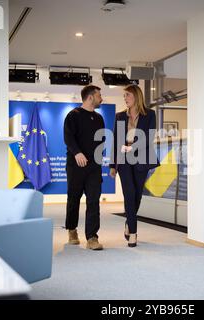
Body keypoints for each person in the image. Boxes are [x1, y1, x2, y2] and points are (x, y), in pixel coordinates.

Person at [109, 85, 160, 247]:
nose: (125, 98)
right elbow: (116, 141)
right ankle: (133, 232)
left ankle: (128, 222)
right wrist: (113, 165)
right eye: (124, 96)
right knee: (129, 193)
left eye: (128, 95)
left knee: (137, 195)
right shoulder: (120, 116)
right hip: (124, 159)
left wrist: (133, 147)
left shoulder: (150, 114)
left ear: (136, 96)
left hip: (142, 158)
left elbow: (149, 137)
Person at [64, 85, 105, 250]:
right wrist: (77, 153)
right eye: (99, 96)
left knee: (94, 200)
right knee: (74, 199)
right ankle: (72, 230)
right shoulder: (73, 116)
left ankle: (92, 237)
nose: (101, 99)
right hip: (76, 165)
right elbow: (68, 137)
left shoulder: (99, 118)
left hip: (94, 167)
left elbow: (101, 141)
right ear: (90, 97)